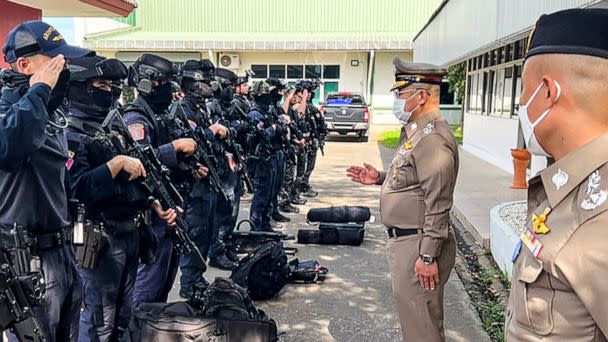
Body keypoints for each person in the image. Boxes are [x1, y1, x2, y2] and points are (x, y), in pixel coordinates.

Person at [505, 8, 608, 341]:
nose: (521, 101)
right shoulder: (565, 185)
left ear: (549, 92)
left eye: (524, 89)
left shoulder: (599, 220)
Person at [65, 55, 178, 341]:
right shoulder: (71, 133)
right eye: (101, 84)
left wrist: (150, 201)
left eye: (114, 85)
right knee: (98, 321)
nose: (110, 91)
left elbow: (131, 181)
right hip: (97, 239)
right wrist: (113, 165)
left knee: (123, 318)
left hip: (129, 232)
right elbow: (76, 190)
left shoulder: (111, 126)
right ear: (79, 86)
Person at [346, 58, 458, 342]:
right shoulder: (417, 132)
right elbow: (415, 179)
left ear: (422, 96)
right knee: (416, 325)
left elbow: (438, 202)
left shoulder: (433, 139)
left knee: (423, 330)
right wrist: (382, 178)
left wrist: (428, 254)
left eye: (402, 94)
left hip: (418, 244)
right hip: (408, 242)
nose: (397, 100)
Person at [0, 20, 92, 341]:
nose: (62, 66)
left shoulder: (48, 114)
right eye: (53, 60)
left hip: (62, 254)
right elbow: (9, 146)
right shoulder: (9, 109)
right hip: (28, 263)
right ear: (24, 65)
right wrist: (39, 89)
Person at [124, 53, 199, 307]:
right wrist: (175, 147)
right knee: (147, 288)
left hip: (170, 207)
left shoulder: (159, 115)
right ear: (147, 83)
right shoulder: (136, 118)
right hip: (151, 213)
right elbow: (138, 162)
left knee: (164, 282)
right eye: (164, 82)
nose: (169, 89)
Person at [177, 59, 229, 297]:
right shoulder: (182, 110)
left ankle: (197, 279)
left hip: (209, 180)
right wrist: (211, 131)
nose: (210, 86)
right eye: (205, 82)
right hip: (195, 185)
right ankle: (189, 285)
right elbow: (187, 141)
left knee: (207, 230)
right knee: (196, 233)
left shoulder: (202, 110)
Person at [247, 80, 289, 232]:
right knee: (261, 196)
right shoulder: (255, 114)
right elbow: (257, 136)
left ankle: (265, 225)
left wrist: (279, 126)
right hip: (261, 160)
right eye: (265, 94)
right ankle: (256, 229)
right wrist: (273, 128)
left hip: (272, 156)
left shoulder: (268, 112)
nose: (268, 97)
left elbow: (282, 126)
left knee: (271, 193)